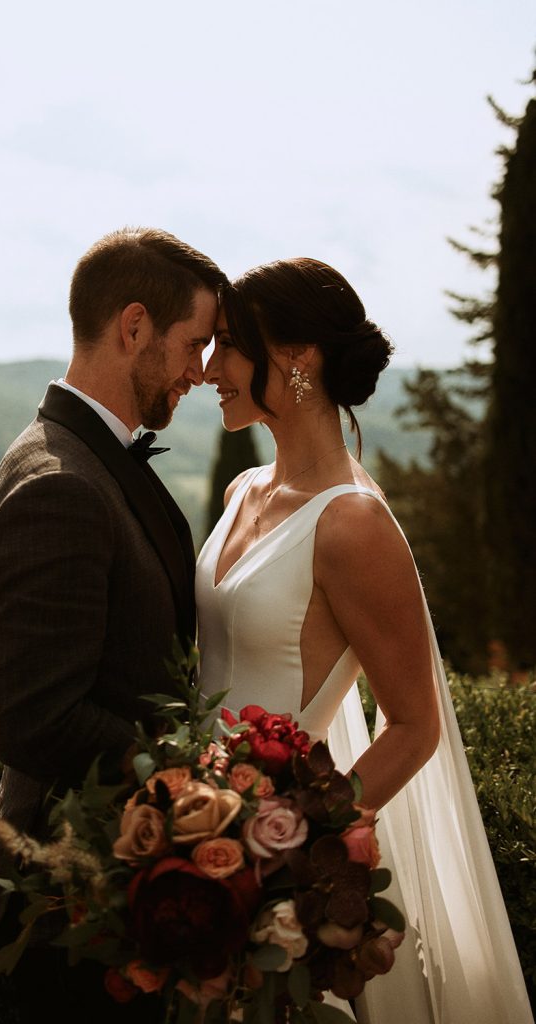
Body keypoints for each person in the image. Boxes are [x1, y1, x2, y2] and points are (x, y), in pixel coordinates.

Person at [196, 257, 534, 1023]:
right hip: (200, 843)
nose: (209, 368)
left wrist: (296, 849)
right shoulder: (241, 490)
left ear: (296, 357)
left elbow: (414, 725)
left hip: (274, 868)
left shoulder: (352, 523)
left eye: (227, 344)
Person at [0, 226, 226, 1022]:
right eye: (194, 343)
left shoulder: (92, 458)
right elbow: (38, 719)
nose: (201, 369)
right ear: (132, 327)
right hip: (71, 897)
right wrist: (202, 782)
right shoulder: (63, 483)